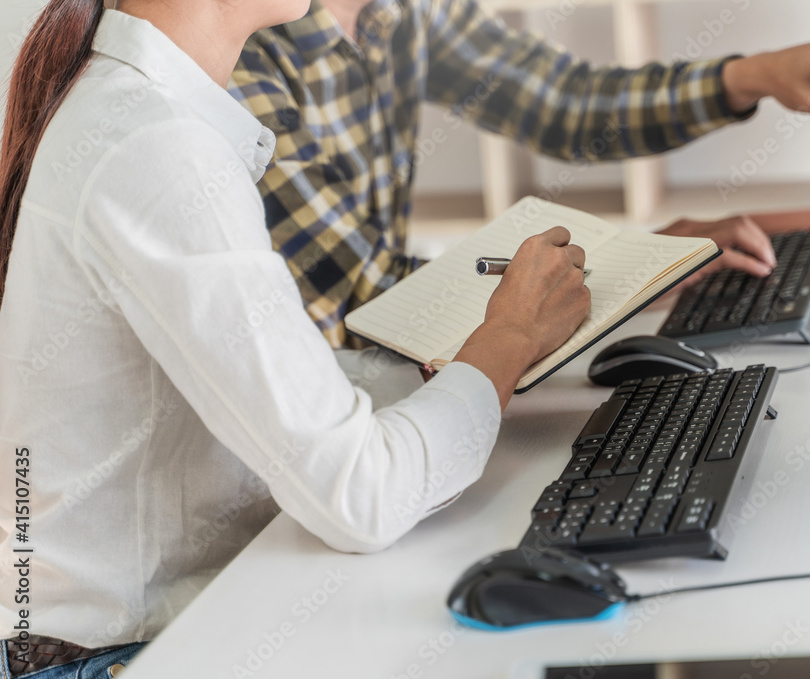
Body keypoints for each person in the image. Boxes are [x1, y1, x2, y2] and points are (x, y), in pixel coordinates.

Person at [0, 0, 591, 675]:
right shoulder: (158, 147)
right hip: (115, 658)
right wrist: (507, 336)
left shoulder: (140, 111)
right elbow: (362, 495)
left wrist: (465, 365)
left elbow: (272, 387)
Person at [230, 0, 810, 346]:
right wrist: (636, 266)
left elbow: (567, 104)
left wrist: (758, 76)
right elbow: (371, 303)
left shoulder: (395, 11)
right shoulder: (241, 53)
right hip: (296, 456)